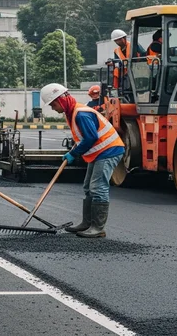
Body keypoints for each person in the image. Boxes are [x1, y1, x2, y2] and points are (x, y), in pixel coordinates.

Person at [41, 83, 125, 238]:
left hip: (108, 151)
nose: (53, 108)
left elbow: (91, 138)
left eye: (53, 105)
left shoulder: (81, 114)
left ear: (61, 100)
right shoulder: (73, 112)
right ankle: (87, 223)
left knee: (98, 187)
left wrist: (74, 154)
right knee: (88, 187)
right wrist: (72, 151)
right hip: (99, 152)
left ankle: (97, 228)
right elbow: (82, 137)